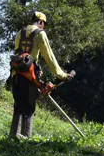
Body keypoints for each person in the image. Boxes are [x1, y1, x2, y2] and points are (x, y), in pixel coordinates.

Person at [10, 11, 72, 139]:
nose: (43, 26)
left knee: (18, 106)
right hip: (30, 78)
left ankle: (13, 137)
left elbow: (18, 56)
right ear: (40, 22)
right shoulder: (40, 34)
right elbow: (49, 57)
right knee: (28, 108)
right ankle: (25, 139)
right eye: (43, 24)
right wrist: (62, 75)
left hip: (16, 75)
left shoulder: (19, 33)